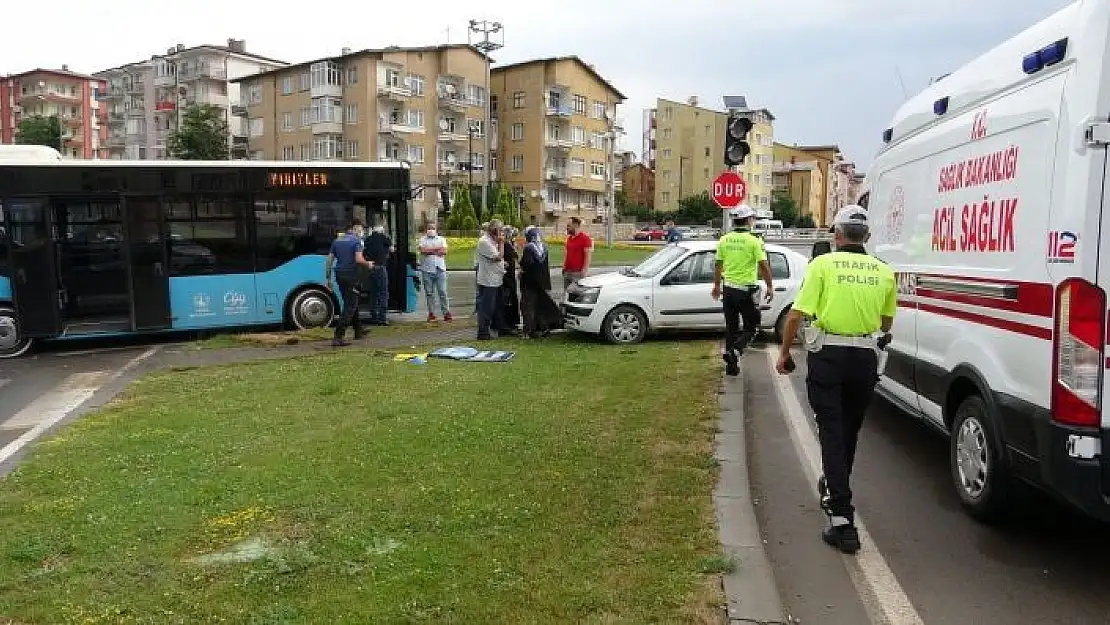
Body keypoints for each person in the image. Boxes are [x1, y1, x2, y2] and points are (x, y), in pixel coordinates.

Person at [775, 205, 897, 555]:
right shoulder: (883, 271)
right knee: (848, 430)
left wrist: (784, 354)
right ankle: (833, 482)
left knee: (830, 429)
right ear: (867, 237)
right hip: (863, 359)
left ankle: (842, 517)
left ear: (837, 235)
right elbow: (887, 323)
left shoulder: (823, 265)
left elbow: (797, 314)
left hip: (829, 357)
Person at [711, 204, 773, 377]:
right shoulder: (754, 240)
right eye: (752, 218)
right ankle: (735, 352)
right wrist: (770, 286)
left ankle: (731, 368)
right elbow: (764, 265)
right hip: (745, 291)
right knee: (752, 328)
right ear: (747, 220)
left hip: (728, 289)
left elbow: (718, 264)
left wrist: (716, 286)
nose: (753, 221)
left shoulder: (724, 239)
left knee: (731, 328)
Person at [325, 220, 372, 347]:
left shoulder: (337, 241)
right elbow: (358, 259)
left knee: (351, 301)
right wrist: (368, 264)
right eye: (361, 229)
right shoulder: (356, 241)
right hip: (352, 275)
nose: (361, 232)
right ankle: (338, 336)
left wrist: (328, 278)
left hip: (339, 275)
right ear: (355, 228)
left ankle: (358, 330)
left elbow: (329, 260)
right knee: (350, 306)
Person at [520, 226, 561, 338]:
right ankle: (543, 327)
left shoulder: (529, 247)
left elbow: (526, 264)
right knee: (542, 306)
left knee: (528, 306)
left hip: (530, 283)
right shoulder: (544, 246)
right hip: (543, 282)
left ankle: (529, 330)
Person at [475, 220, 506, 340]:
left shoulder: (492, 240)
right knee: (486, 307)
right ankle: (483, 332)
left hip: (496, 278)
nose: (501, 233)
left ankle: (498, 327)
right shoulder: (484, 242)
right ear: (494, 230)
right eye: (500, 230)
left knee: (496, 306)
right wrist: (502, 243)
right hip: (488, 280)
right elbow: (498, 257)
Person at [417, 223, 452, 322]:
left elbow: (444, 251)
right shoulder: (422, 240)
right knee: (429, 293)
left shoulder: (442, 239)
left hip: (440, 269)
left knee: (443, 292)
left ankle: (446, 313)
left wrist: (430, 251)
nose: (431, 230)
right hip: (427, 270)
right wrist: (436, 249)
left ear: (436, 229)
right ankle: (431, 313)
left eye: (433, 228)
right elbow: (423, 251)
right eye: (429, 228)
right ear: (426, 230)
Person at [364, 221, 394, 325]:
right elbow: (392, 249)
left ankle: (374, 316)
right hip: (380, 268)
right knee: (383, 292)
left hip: (370, 268)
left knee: (374, 293)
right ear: (381, 230)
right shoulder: (383, 238)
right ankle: (382, 318)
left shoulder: (367, 239)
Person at [498, 226, 522, 335]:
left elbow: (517, 258)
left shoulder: (509, 245)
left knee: (510, 299)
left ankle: (511, 323)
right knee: (507, 300)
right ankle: (507, 325)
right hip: (506, 277)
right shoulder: (505, 245)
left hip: (510, 276)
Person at [562, 216, 593, 291]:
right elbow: (566, 254)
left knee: (576, 295)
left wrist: (584, 271)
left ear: (575, 225)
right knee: (566, 293)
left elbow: (588, 256)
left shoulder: (585, 239)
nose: (567, 227)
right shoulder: (569, 238)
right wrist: (563, 266)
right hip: (567, 272)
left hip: (578, 273)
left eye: (569, 225)